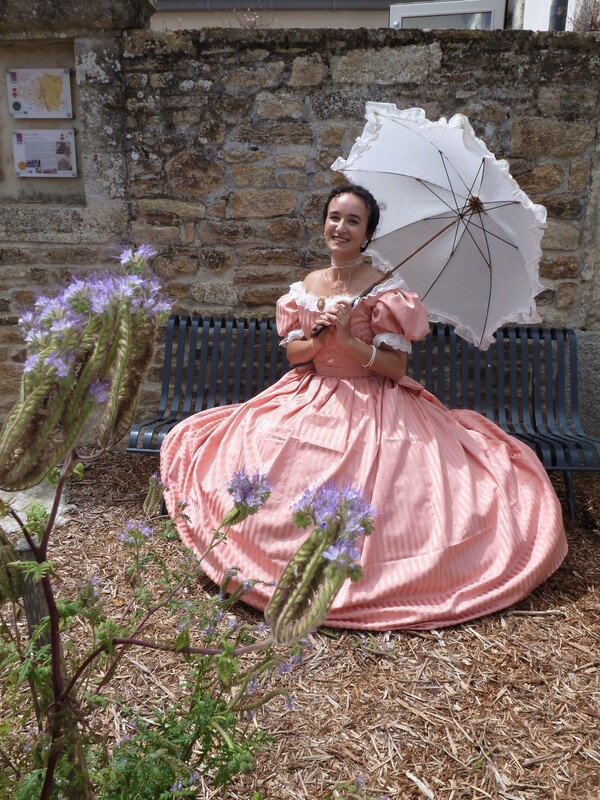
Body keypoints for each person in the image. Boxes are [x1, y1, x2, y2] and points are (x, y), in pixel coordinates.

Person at [160, 184, 567, 630]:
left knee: (399, 485)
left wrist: (351, 341)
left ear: (367, 233)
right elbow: (296, 357)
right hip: (310, 392)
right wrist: (316, 336)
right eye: (335, 217)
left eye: (353, 221)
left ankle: (379, 574)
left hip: (374, 400)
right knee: (257, 447)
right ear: (324, 223)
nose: (341, 227)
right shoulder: (306, 287)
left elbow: (395, 368)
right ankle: (266, 553)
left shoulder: (386, 289)